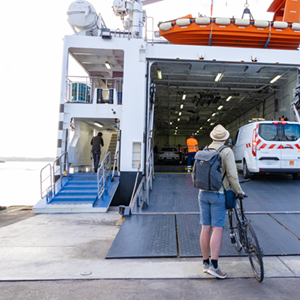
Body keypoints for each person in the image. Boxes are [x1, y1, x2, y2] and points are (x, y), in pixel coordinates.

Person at [199, 124, 244, 279]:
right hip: (218, 194)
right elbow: (232, 175)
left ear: (212, 137)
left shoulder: (204, 150)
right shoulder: (226, 151)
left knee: (205, 227)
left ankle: (205, 263)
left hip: (202, 194)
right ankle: (215, 266)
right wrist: (239, 191)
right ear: (225, 138)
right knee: (217, 229)